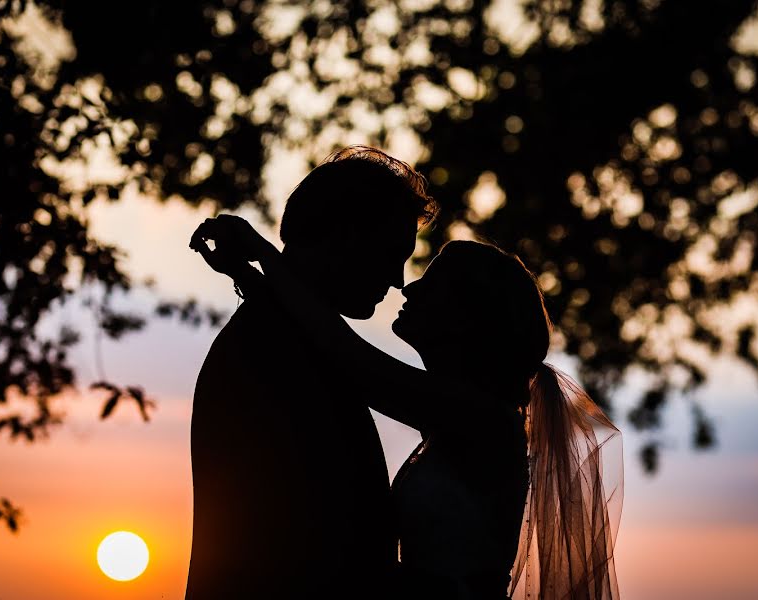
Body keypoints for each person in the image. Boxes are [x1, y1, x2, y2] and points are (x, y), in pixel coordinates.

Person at [193, 214, 623, 599]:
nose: (408, 286)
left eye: (433, 282)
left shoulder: (484, 420)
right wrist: (249, 277)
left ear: (467, 317)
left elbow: (352, 360)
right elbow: (330, 355)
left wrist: (264, 252)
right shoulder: (452, 417)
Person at [184, 146, 438, 599]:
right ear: (347, 236)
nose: (399, 279)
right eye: (391, 253)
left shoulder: (294, 335)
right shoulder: (275, 346)